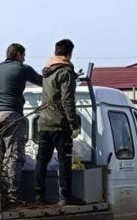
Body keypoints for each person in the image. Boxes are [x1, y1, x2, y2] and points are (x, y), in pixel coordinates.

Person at [0, 43, 43, 202]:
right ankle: (13, 194)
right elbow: (42, 81)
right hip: (10, 113)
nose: (24, 59)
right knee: (13, 154)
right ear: (17, 54)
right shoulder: (22, 69)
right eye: (23, 55)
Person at [35, 39, 80, 206]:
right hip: (60, 123)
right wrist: (73, 124)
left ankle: (39, 195)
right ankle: (65, 196)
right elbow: (67, 100)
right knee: (64, 160)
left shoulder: (47, 72)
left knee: (42, 160)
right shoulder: (65, 72)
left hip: (43, 122)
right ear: (69, 54)